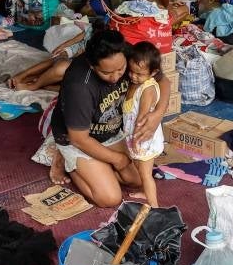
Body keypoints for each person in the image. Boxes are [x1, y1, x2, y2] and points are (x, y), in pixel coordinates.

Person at [50, 30, 140, 207]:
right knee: (109, 198)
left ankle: (94, 167)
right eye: (106, 73)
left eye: (120, 69)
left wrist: (155, 115)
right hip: (77, 138)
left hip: (109, 131)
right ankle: (66, 160)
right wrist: (117, 160)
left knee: (137, 180)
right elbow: (79, 139)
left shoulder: (124, 53)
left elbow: (162, 80)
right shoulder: (80, 86)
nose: (115, 77)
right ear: (92, 66)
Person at [123, 42, 164, 208]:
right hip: (135, 136)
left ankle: (154, 207)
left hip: (143, 138)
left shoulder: (147, 89)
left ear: (153, 72)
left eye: (139, 74)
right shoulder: (136, 83)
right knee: (140, 168)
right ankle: (144, 191)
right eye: (131, 71)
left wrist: (136, 140)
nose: (133, 76)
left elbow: (141, 117)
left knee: (146, 174)